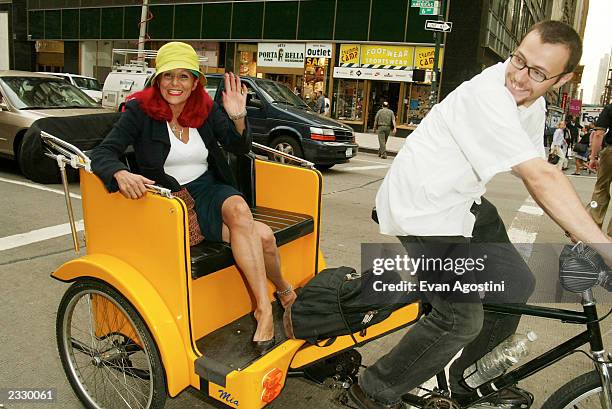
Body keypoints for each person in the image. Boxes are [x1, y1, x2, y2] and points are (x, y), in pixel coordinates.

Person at [348, 21, 612, 409]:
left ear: (563, 80)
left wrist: (575, 231)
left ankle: (468, 381)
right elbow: (539, 177)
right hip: (423, 207)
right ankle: (370, 391)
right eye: (518, 60)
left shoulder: (534, 106)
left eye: (538, 73)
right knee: (460, 319)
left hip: (463, 202)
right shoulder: (487, 95)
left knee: (516, 282)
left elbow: (539, 171)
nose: (520, 78)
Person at [90, 42, 296, 355]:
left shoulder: (204, 108)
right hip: (171, 199)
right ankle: (284, 292)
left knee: (240, 209)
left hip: (209, 189)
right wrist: (120, 173)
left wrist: (239, 117)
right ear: (158, 80)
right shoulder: (139, 111)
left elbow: (238, 147)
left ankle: (263, 309)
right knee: (264, 237)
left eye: (184, 76)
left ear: (195, 81)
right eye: (168, 76)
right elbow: (104, 152)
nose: (176, 84)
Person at [588, 104, 612, 235]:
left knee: (601, 189)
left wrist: (593, 157)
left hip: (611, 153)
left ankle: (593, 230)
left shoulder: (610, 108)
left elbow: (598, 134)